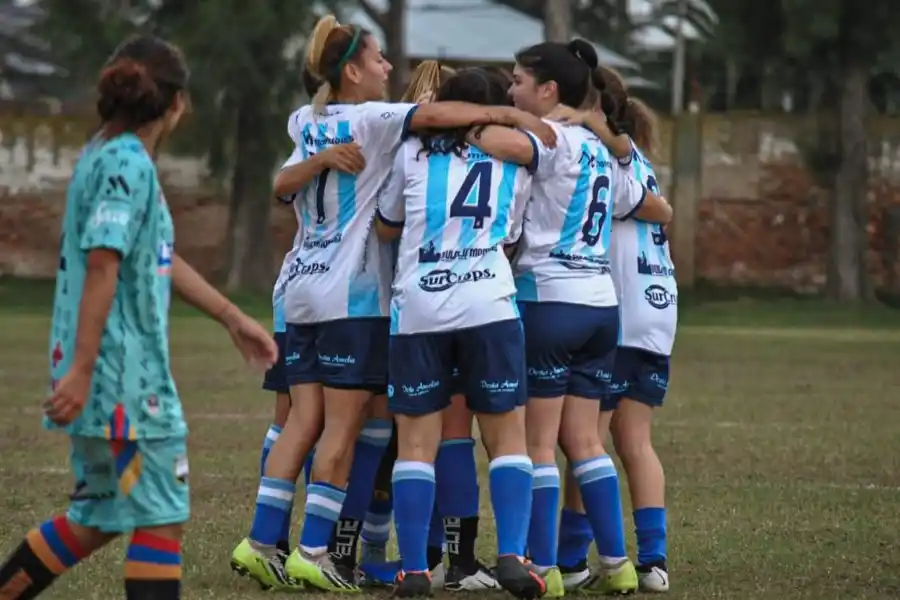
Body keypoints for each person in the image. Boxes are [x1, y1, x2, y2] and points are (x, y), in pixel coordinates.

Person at [234, 14, 555, 594]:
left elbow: (297, 190)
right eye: (380, 59)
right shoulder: (383, 121)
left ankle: (272, 542)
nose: (389, 68)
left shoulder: (306, 118)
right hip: (369, 296)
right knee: (369, 426)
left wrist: (322, 161)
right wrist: (506, 116)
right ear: (353, 70)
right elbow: (449, 131)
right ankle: (327, 550)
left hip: (312, 288)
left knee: (306, 423)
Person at [0, 35, 278, 600]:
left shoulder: (102, 153)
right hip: (122, 380)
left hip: (105, 376)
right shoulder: (128, 164)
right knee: (161, 517)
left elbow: (154, 255)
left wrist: (230, 316)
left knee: (98, 515)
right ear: (177, 102)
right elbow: (103, 264)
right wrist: (82, 370)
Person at [498, 39, 673, 596]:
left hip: (549, 299)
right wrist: (603, 131)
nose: (510, 91)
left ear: (548, 91)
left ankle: (546, 565)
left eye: (518, 81)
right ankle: (618, 562)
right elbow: (638, 197)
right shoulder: (608, 151)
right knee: (587, 443)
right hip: (602, 308)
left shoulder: (547, 140)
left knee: (540, 446)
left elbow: (508, 169)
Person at [374, 66, 542, 599]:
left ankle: (418, 571)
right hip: (488, 301)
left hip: (420, 303)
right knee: (507, 438)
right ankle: (512, 557)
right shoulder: (515, 158)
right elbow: (512, 233)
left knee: (417, 445)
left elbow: (387, 221)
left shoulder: (411, 152)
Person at [556, 71, 675, 594]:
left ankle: (569, 558)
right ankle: (654, 560)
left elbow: (650, 209)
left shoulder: (598, 157)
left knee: (585, 441)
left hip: (617, 313)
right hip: (656, 311)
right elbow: (659, 209)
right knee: (633, 440)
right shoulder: (639, 162)